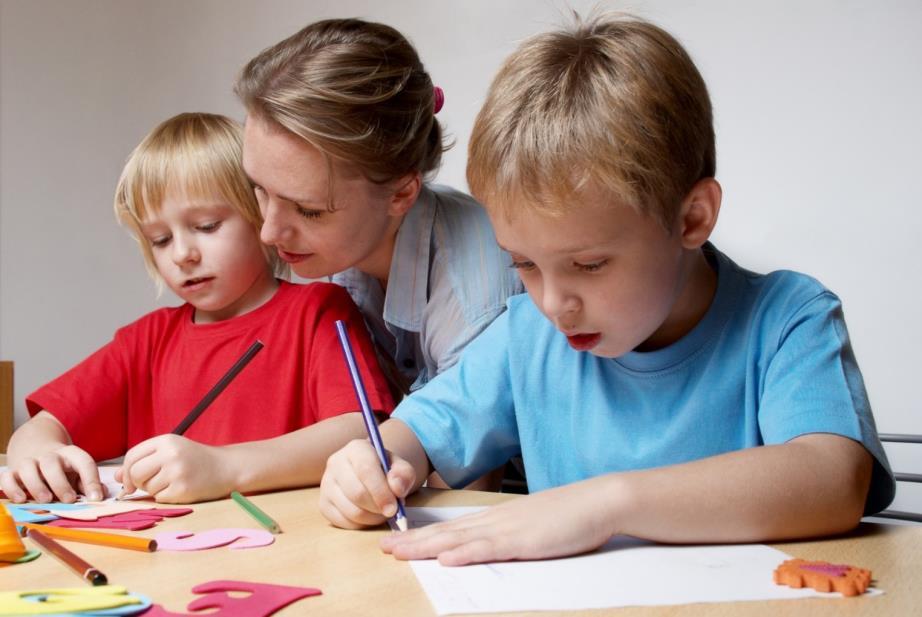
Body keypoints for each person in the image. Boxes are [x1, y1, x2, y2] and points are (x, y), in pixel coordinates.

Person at [317, 14, 895, 565]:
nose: (553, 303)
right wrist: (371, 462)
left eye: (590, 265)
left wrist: (607, 504)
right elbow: (414, 434)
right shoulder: (526, 336)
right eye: (524, 264)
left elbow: (834, 478)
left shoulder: (789, 319)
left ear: (692, 219)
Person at [1, 112, 393, 505]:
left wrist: (222, 466)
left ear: (262, 215)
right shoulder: (147, 340)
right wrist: (37, 457)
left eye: (206, 227)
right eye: (160, 239)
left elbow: (361, 431)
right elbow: (43, 427)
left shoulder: (317, 311)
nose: (183, 254)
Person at [235, 18, 523, 398]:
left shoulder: (475, 304)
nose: (268, 232)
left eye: (309, 211)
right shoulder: (351, 245)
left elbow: (461, 452)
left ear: (401, 194)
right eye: (260, 189)